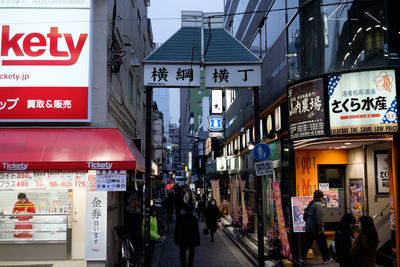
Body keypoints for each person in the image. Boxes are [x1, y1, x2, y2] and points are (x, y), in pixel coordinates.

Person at [299, 190, 331, 264]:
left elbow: (305, 217)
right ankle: (326, 259)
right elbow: (318, 218)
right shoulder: (318, 205)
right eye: (322, 196)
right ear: (320, 197)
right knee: (323, 244)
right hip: (315, 229)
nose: (323, 198)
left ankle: (302, 258)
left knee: (307, 244)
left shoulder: (311, 203)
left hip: (309, 228)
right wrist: (320, 229)